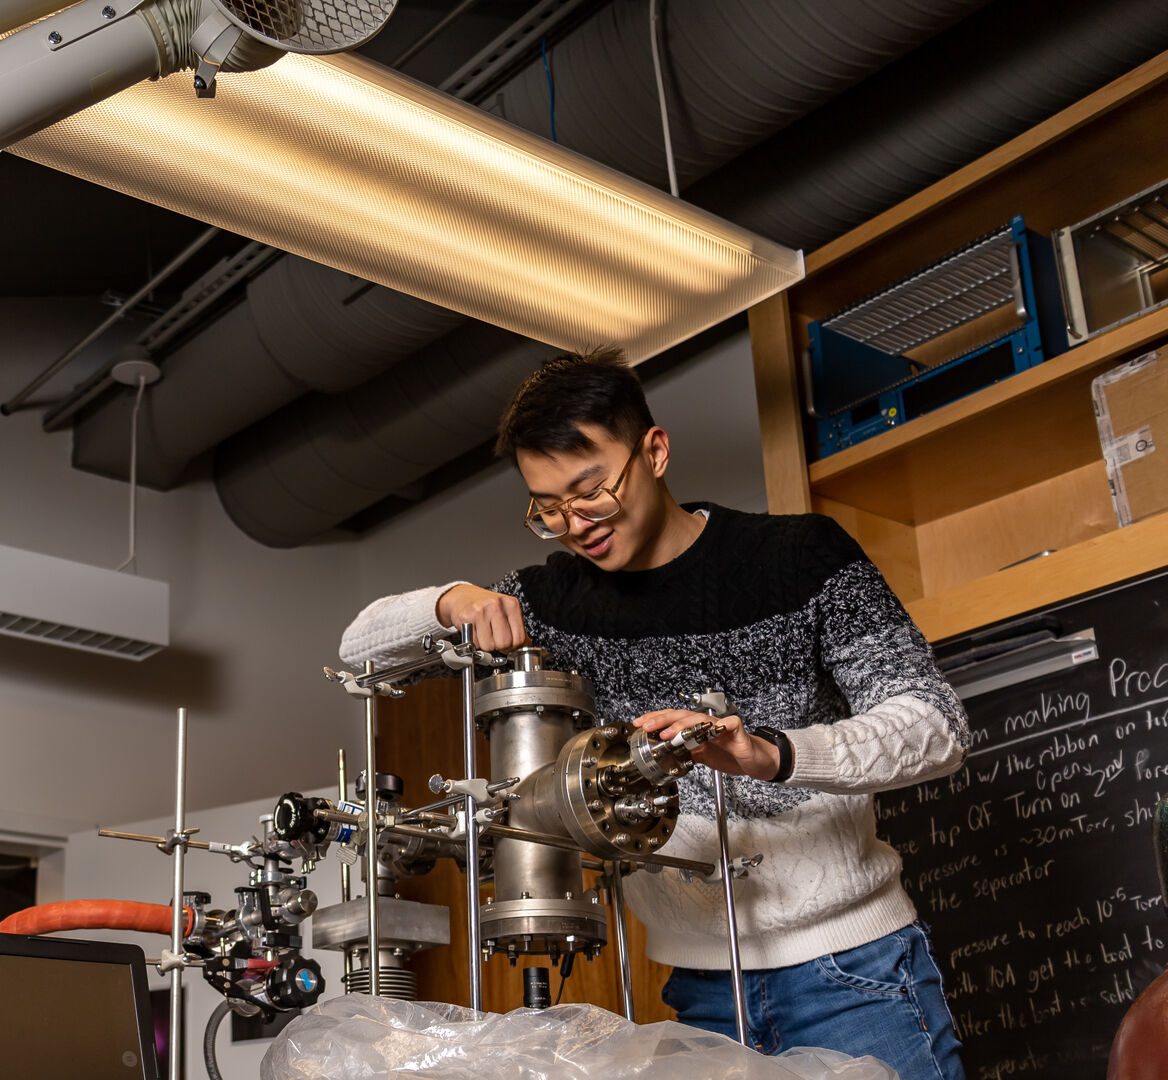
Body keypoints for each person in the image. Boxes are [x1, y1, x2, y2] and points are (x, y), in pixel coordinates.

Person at [339, 346, 969, 1080]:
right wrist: (451, 601)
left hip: (851, 972)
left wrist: (772, 754)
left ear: (655, 451)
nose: (576, 523)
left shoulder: (801, 557)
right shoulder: (552, 602)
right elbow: (359, 651)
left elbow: (935, 725)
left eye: (591, 491)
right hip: (698, 992)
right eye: (548, 507)